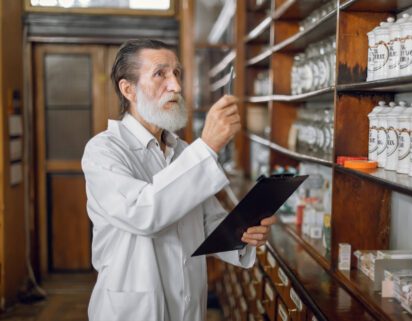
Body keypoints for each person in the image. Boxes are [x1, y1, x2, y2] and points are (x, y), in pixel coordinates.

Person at [81, 39, 276, 321]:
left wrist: (244, 232)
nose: (176, 86)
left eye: (177, 74)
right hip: (134, 310)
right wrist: (207, 146)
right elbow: (143, 213)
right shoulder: (103, 151)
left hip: (187, 304)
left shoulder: (182, 150)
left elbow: (207, 222)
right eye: (160, 74)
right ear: (129, 89)